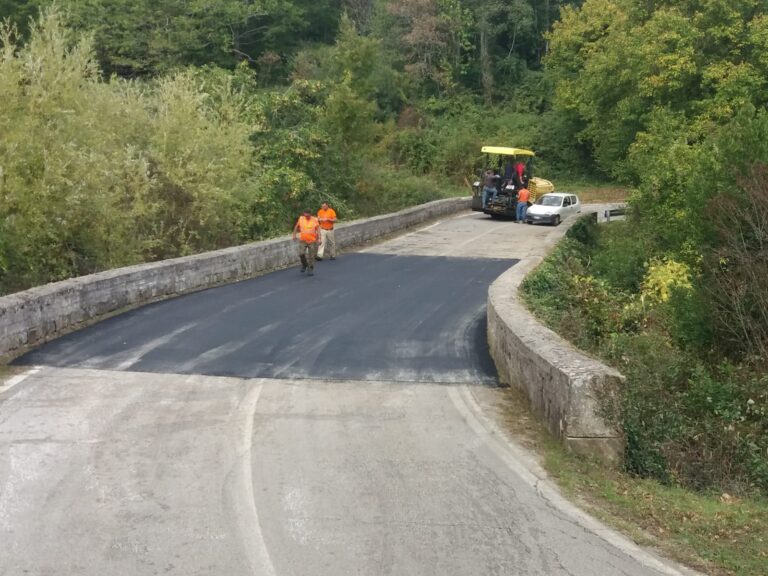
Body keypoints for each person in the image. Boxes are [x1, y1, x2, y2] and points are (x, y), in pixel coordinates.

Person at [292, 209, 320, 275]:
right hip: (303, 240)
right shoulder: (301, 218)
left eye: (307, 216)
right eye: (305, 215)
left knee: (312, 256)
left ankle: (310, 269)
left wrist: (319, 239)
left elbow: (318, 229)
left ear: (310, 214)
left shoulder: (315, 220)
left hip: (312, 241)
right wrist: (294, 235)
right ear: (304, 214)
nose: (306, 217)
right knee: (301, 253)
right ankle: (304, 265)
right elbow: (296, 227)